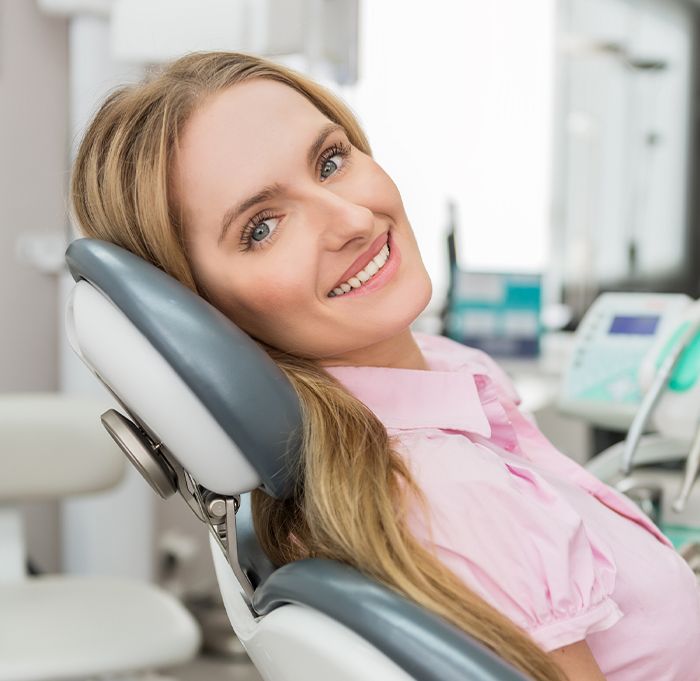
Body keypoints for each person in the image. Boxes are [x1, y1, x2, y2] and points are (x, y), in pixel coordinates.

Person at [70, 52, 700, 681]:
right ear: (202, 313)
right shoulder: (449, 494)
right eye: (262, 227)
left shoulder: (435, 381)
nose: (352, 220)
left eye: (331, 161)